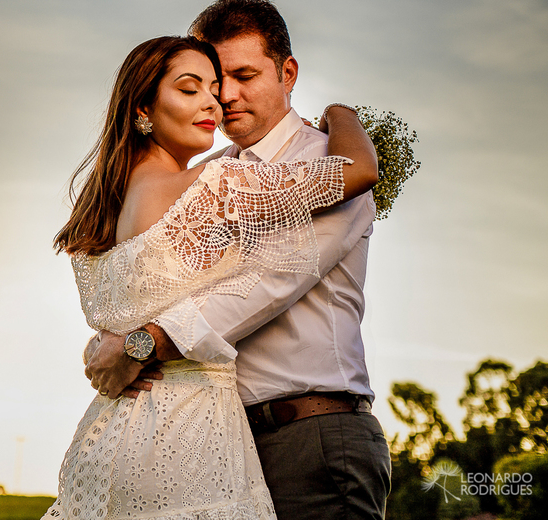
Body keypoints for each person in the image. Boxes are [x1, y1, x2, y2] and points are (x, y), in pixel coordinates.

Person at [43, 34, 378, 520]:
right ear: (143, 109)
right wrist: (342, 113)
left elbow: (124, 316)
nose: (215, 102)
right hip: (193, 440)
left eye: (219, 84)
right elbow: (355, 171)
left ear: (287, 73)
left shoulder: (98, 213)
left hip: (110, 436)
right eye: (191, 88)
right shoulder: (212, 184)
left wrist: (117, 345)